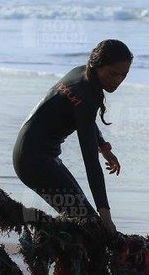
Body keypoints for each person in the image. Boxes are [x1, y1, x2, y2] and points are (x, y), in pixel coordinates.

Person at [12, 39, 132, 234]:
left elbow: (85, 119)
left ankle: (45, 242)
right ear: (97, 65)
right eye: (113, 74)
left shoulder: (81, 74)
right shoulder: (86, 96)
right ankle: (37, 243)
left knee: (81, 220)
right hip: (35, 161)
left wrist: (105, 149)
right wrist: (106, 215)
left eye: (124, 75)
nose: (118, 80)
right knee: (89, 226)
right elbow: (90, 163)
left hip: (31, 154)